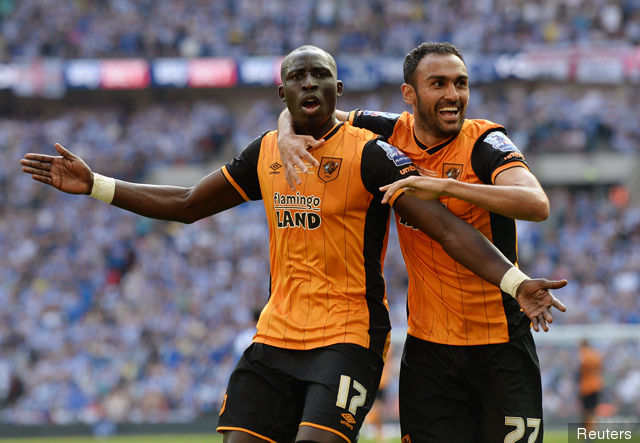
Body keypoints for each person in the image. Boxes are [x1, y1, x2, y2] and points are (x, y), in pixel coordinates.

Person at [21, 45, 565, 443]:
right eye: (298, 79)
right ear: (282, 92)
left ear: (339, 90)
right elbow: (188, 203)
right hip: (288, 336)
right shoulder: (273, 149)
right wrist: (96, 184)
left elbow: (455, 224)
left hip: (365, 334)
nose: (452, 95)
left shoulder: (387, 151)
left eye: (321, 77)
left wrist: (516, 282)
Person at [277, 42, 560, 442]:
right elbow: (312, 108)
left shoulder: (486, 142)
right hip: (429, 352)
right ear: (409, 94)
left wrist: (444, 186)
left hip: (500, 345)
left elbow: (536, 203)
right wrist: (285, 134)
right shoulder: (389, 131)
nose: (453, 95)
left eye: (461, 83)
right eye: (438, 83)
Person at [579, 340, 603, 434]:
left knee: (587, 411)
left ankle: (588, 432)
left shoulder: (583, 354)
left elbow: (581, 368)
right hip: (596, 385)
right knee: (592, 411)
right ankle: (592, 430)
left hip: (586, 387)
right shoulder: (596, 354)